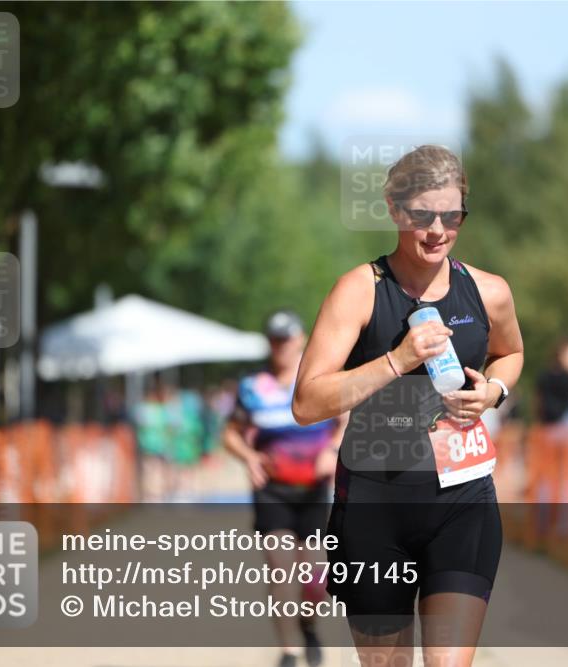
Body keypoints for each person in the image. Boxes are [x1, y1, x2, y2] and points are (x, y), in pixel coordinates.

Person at [292, 145, 524, 667]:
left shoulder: (488, 292)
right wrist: (395, 361)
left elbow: (511, 352)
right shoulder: (359, 291)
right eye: (423, 215)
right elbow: (307, 403)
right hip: (374, 507)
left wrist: (493, 391)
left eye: (452, 215)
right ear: (396, 211)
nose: (438, 229)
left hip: (462, 503)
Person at [222, 309, 347, 667]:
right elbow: (229, 434)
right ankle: (290, 649)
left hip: (313, 492)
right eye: (274, 339)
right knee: (281, 573)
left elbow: (347, 419)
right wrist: (248, 457)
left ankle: (307, 624)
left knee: (316, 582)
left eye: (286, 338)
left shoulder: (317, 381)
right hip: (272, 491)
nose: (281, 346)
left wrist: (332, 448)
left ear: (301, 339)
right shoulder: (252, 386)